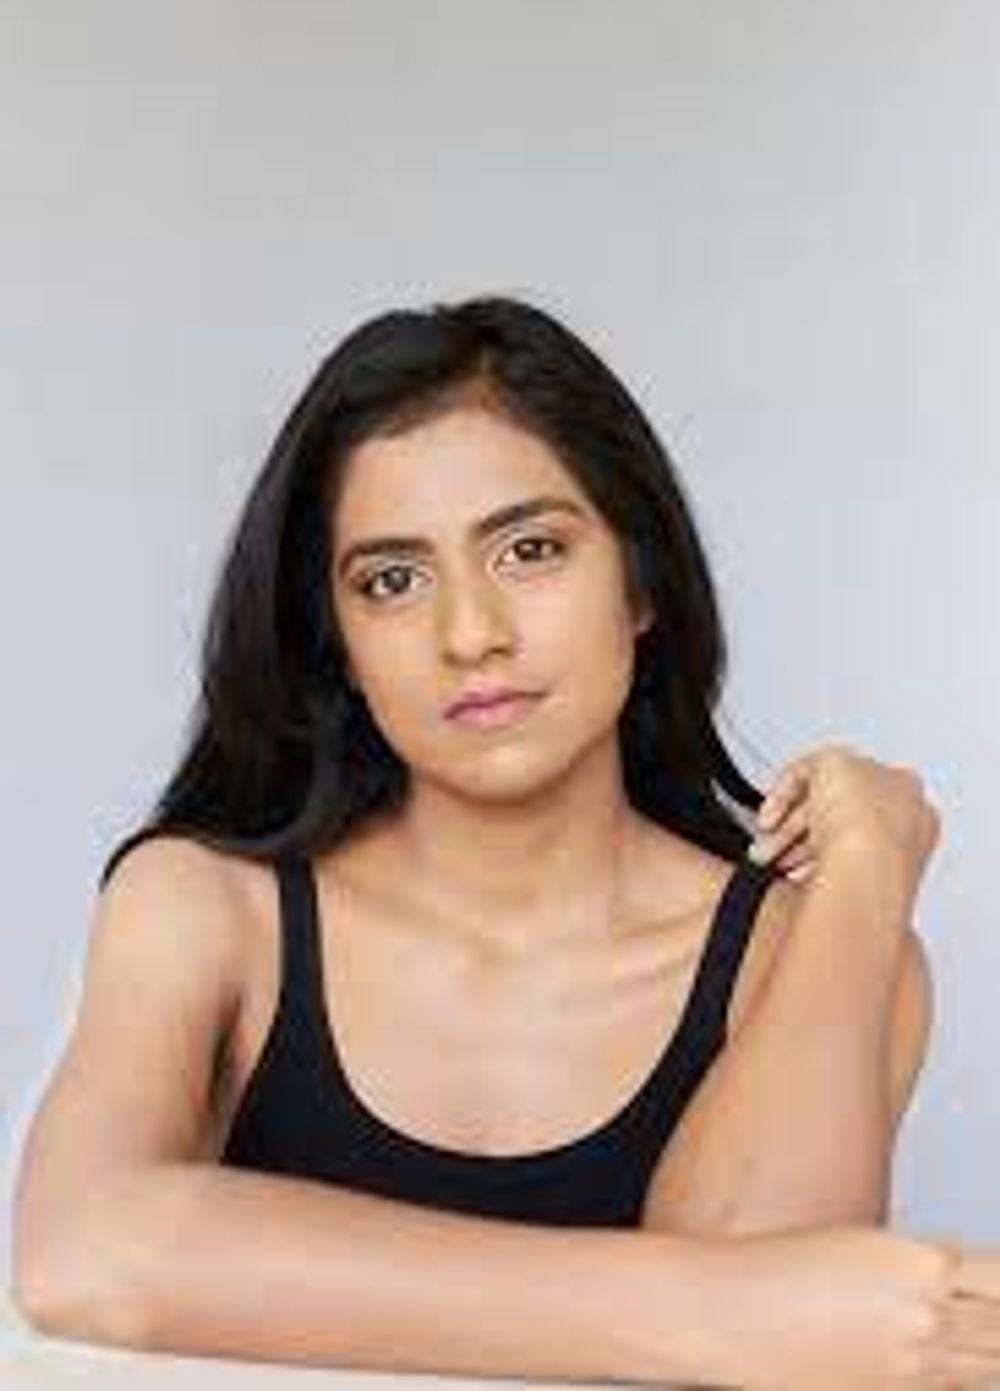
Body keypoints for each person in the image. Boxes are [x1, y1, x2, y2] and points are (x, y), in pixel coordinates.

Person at [11, 295, 1000, 1387]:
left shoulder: (808, 952)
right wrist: (704, 1306)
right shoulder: (204, 909)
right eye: (392, 580)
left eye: (530, 550)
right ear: (338, 644)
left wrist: (868, 873)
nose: (470, 634)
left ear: (641, 583)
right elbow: (87, 1249)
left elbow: (755, 1341)